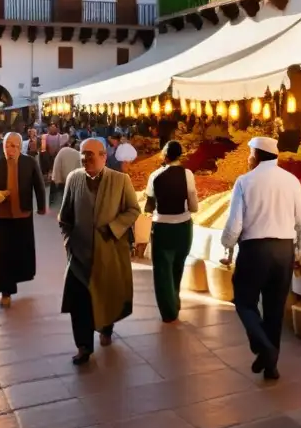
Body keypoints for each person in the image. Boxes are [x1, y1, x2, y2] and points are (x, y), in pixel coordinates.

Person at [221, 137, 301, 381]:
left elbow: (235, 223)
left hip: (254, 251)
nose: (248, 158)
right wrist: (299, 252)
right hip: (284, 251)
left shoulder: (245, 181)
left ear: (258, 155)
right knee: (274, 310)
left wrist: (226, 244)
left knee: (244, 301)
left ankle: (264, 348)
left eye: (250, 153)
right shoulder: (291, 181)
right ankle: (271, 366)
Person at [58, 138, 139, 364]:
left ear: (104, 156)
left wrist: (113, 228)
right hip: (79, 256)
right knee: (79, 302)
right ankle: (84, 346)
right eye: (83, 155)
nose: (87, 159)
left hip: (108, 253)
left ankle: (106, 327)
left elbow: (133, 209)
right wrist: (68, 241)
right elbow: (64, 217)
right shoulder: (74, 179)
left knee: (107, 295)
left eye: (92, 155)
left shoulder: (121, 180)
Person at [0, 132, 46, 308]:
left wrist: (41, 206)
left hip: (22, 215)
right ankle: (5, 291)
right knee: (1, 255)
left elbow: (38, 185)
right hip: (1, 217)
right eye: (8, 145)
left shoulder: (29, 163)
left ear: (20, 147)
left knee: (20, 252)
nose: (11, 149)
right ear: (3, 146)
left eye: (15, 145)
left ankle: (17, 278)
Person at [145, 141, 199, 323]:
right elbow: (194, 205)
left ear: (165, 156)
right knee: (178, 265)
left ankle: (168, 311)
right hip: (183, 227)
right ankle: (175, 299)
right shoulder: (188, 174)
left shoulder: (155, 176)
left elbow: (149, 205)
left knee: (162, 270)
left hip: (162, 228)